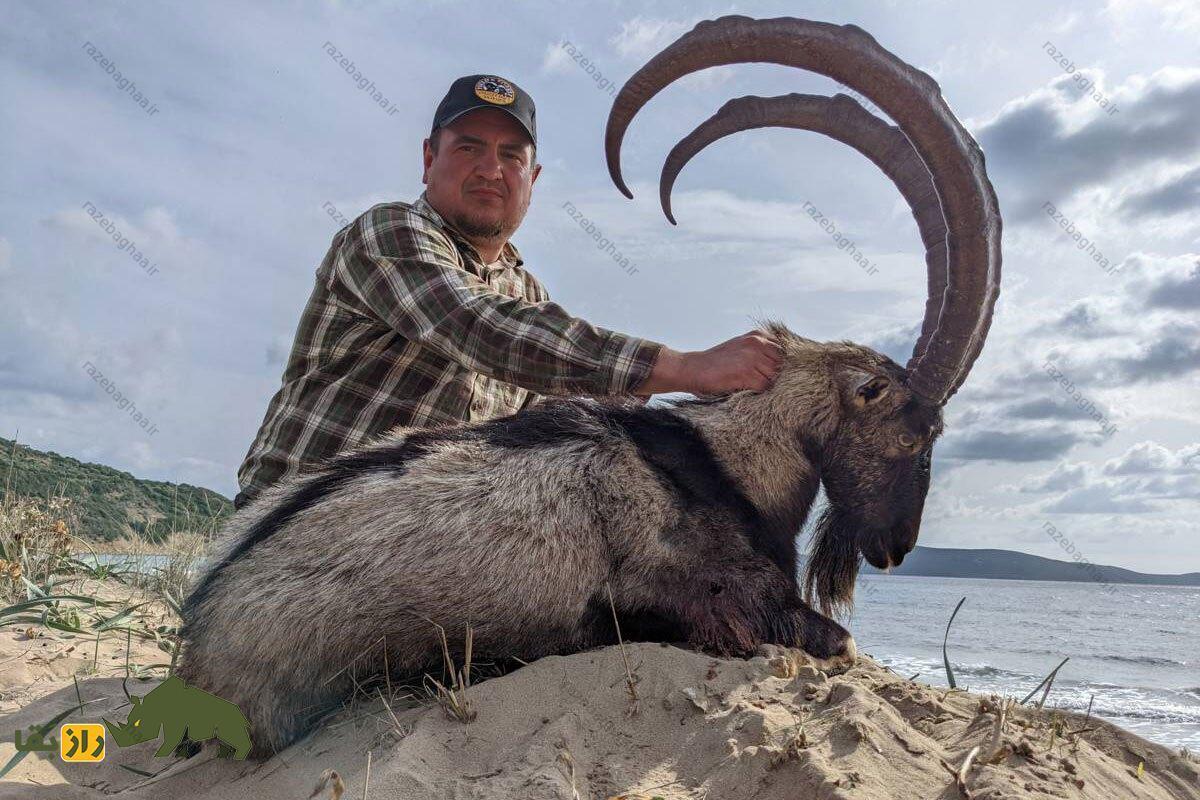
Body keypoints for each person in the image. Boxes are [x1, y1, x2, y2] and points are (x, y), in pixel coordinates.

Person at [233, 74, 782, 509]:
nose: (491, 170)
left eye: (511, 156)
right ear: (429, 159)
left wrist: (724, 410)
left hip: (410, 536)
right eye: (469, 148)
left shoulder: (528, 293)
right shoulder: (388, 232)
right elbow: (478, 326)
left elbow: (567, 407)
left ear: (533, 178)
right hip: (293, 522)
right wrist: (685, 366)